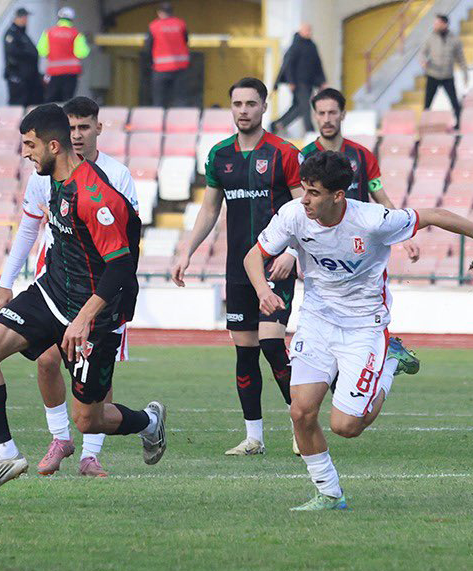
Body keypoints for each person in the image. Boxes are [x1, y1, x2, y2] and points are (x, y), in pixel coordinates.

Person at [244, 151, 473, 510]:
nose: (306, 200)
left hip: (364, 327)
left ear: (337, 196)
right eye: (304, 190)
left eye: (314, 193)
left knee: (346, 426)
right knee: (301, 412)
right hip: (317, 321)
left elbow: (435, 216)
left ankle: (390, 361)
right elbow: (253, 256)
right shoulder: (294, 215)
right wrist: (263, 291)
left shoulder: (373, 220)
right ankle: (329, 493)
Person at [0, 104, 166, 500]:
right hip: (51, 293)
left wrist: (84, 319)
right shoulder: (49, 177)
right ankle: (4, 454)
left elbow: (121, 267)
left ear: (52, 146)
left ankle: (148, 422)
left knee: (89, 420)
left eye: (29, 145)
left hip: (96, 313)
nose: (25, 153)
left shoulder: (96, 195)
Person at [0, 96, 138, 478]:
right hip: (56, 285)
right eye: (70, 127)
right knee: (45, 360)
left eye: (83, 127)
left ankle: (91, 451)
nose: (77, 135)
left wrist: (111, 303)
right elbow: (29, 227)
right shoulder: (45, 174)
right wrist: (6, 280)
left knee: (91, 395)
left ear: (97, 128)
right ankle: (60, 438)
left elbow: (124, 247)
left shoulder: (114, 177)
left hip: (101, 292)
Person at [171, 77, 302, 456]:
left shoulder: (284, 153)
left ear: (264, 108)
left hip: (276, 265)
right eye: (237, 104)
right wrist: (187, 250)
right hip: (238, 268)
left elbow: (301, 209)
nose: (243, 110)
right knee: (245, 352)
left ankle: (301, 423)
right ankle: (254, 438)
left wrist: (292, 253)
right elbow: (211, 208)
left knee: (272, 344)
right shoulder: (219, 155)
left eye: (251, 104)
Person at [298, 88, 422, 380]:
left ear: (343, 114)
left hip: (359, 250)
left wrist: (404, 237)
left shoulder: (362, 156)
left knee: (361, 311)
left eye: (332, 112)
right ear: (314, 116)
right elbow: (297, 206)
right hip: (322, 250)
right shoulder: (305, 156)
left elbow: (379, 195)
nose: (327, 119)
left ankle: (379, 351)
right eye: (321, 113)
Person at [273, 24, 326, 135]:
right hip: (298, 83)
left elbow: (317, 64)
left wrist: (322, 81)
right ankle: (310, 132)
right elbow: (288, 65)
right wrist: (291, 81)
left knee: (298, 107)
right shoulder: (295, 45)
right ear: (301, 31)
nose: (309, 32)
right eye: (307, 30)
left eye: (310, 30)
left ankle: (278, 124)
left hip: (309, 83)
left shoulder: (312, 46)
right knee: (305, 107)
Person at [143, 2, 190, 108]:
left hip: (160, 69)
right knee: (180, 99)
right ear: (172, 12)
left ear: (159, 13)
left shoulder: (154, 26)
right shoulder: (180, 24)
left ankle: (158, 122)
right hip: (180, 68)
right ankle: (181, 122)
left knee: (159, 101)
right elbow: (186, 40)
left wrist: (150, 63)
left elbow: (148, 47)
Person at [38, 7, 90, 103]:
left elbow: (42, 51)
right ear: (72, 19)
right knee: (68, 101)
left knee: (51, 101)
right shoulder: (76, 34)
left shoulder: (48, 33)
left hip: (54, 73)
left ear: (58, 18)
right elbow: (82, 53)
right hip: (71, 74)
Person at [421, 14, 467, 120]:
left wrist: (465, 73)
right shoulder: (430, 38)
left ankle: (459, 123)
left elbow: (460, 58)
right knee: (427, 103)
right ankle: (425, 123)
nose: (435, 25)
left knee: (454, 102)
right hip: (433, 75)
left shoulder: (454, 39)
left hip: (447, 75)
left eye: (437, 23)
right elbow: (423, 53)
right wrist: (423, 61)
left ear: (444, 24)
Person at [3, 7, 43, 106]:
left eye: (26, 17)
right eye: (23, 17)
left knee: (32, 103)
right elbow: (13, 52)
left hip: (29, 77)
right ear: (16, 18)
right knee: (19, 104)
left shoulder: (22, 33)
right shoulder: (12, 34)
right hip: (18, 77)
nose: (25, 20)